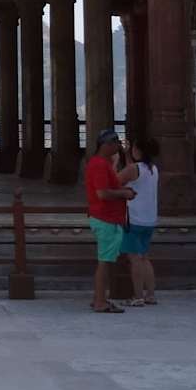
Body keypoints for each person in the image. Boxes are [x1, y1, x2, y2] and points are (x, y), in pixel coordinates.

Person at [83, 130, 133, 315]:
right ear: (107, 145)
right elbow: (102, 193)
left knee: (106, 261)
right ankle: (100, 301)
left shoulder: (102, 163)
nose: (118, 147)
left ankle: (99, 297)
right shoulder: (99, 165)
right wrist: (124, 193)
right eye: (116, 144)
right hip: (106, 218)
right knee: (104, 262)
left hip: (108, 217)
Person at [120, 136, 161, 305]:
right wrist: (126, 155)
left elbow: (116, 180)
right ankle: (150, 294)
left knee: (134, 259)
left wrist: (115, 162)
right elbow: (134, 172)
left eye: (134, 148)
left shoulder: (133, 169)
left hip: (134, 218)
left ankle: (137, 296)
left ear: (139, 150)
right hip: (149, 219)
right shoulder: (153, 169)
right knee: (144, 257)